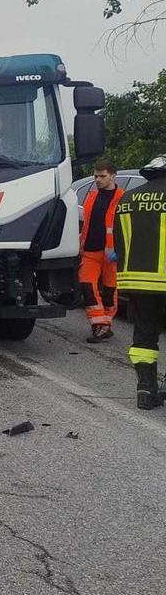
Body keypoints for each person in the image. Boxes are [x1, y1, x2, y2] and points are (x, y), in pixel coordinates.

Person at [114, 156, 166, 410]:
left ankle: (146, 390)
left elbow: (118, 244)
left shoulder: (126, 200)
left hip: (137, 281)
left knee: (144, 338)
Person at [79, 160, 124, 342]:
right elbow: (86, 224)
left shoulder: (123, 198)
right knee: (87, 286)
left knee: (109, 290)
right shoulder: (91, 197)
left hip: (112, 253)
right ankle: (100, 324)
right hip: (90, 251)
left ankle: (104, 324)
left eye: (102, 176)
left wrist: (120, 250)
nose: (98, 179)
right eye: (96, 176)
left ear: (113, 175)